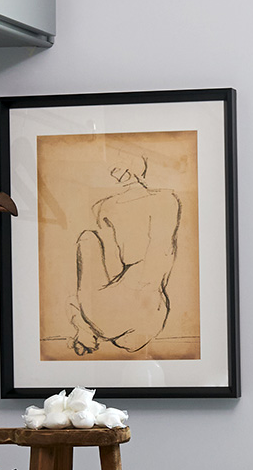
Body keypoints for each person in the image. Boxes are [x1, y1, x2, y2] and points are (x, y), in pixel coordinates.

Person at [69, 151, 182, 356]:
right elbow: (164, 255)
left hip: (111, 316)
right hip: (154, 316)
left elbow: (111, 265)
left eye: (114, 168)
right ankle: (87, 328)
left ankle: (86, 329)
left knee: (88, 238)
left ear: (125, 172)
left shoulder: (106, 207)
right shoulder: (169, 200)